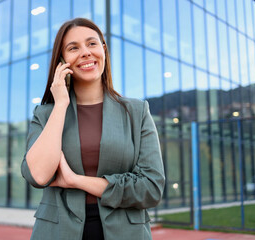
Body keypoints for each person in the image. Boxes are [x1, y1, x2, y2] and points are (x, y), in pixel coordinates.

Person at [21, 18, 165, 240]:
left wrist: (75, 181)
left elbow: (151, 188)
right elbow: (38, 175)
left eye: (92, 44)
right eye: (73, 48)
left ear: (103, 50)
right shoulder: (45, 115)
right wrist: (60, 105)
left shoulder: (137, 112)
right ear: (62, 60)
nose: (86, 53)